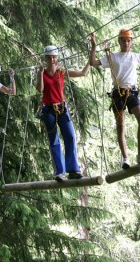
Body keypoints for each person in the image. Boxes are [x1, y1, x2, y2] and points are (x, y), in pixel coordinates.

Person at [89, 26, 140, 169]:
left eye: (128, 41)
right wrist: (93, 46)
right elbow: (93, 62)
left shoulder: (135, 56)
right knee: (120, 126)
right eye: (124, 41)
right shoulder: (112, 57)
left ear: (131, 42)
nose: (126, 44)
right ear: (119, 41)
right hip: (118, 94)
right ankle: (125, 158)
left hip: (132, 92)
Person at [36, 45, 90, 182]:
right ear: (45, 59)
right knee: (54, 141)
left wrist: (91, 56)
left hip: (62, 108)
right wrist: (39, 73)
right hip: (48, 110)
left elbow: (83, 73)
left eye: (54, 57)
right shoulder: (42, 73)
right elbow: (40, 89)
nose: (52, 59)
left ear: (57, 58)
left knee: (70, 136)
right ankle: (60, 172)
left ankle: (72, 170)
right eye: (49, 57)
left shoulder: (62, 72)